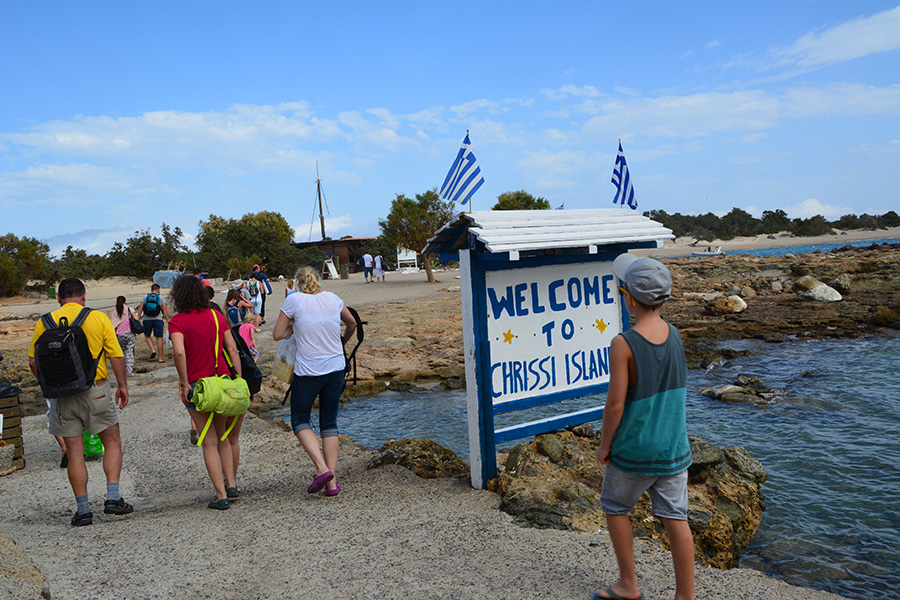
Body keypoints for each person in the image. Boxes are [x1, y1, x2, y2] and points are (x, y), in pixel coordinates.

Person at [594, 254, 694, 600]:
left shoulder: (623, 343)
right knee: (676, 519)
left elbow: (616, 404)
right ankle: (685, 596)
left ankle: (628, 584)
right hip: (673, 449)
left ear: (629, 298)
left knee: (615, 507)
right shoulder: (676, 336)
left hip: (634, 450)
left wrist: (605, 445)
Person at [28, 278, 133, 526]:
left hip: (62, 395)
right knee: (112, 442)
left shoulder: (44, 322)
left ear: (58, 298)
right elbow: (116, 355)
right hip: (95, 390)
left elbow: (33, 362)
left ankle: (83, 510)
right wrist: (122, 386)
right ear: (84, 296)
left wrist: (49, 387)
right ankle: (113, 497)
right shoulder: (97, 318)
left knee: (75, 453)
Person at [273, 266, 356, 497]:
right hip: (336, 368)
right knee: (329, 422)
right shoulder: (333, 298)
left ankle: (321, 469)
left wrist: (295, 326)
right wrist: (341, 343)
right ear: (318, 281)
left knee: (299, 419)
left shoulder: (294, 300)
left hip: (309, 371)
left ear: (297, 283)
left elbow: (278, 334)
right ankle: (332, 484)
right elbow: (352, 324)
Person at [168, 274, 243, 510]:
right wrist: (238, 378)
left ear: (177, 296)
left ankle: (221, 495)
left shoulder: (177, 322)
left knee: (208, 441)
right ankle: (232, 484)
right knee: (222, 437)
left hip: (198, 386)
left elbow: (179, 353)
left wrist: (184, 382)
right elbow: (232, 348)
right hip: (221, 382)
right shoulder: (216, 316)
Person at [138, 283, 170, 362]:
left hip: (146, 319)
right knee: (159, 338)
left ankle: (153, 350)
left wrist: (138, 318)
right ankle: (160, 358)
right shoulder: (161, 297)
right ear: (158, 289)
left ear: (151, 289)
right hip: (158, 319)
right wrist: (167, 319)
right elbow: (164, 309)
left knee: (147, 335)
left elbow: (140, 308)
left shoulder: (145, 297)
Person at [108, 296, 138, 376]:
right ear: (125, 301)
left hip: (119, 334)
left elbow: (112, 325)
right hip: (129, 333)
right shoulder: (129, 309)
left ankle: (122, 371)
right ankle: (129, 371)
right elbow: (136, 318)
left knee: (121, 352)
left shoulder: (114, 312)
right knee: (129, 352)